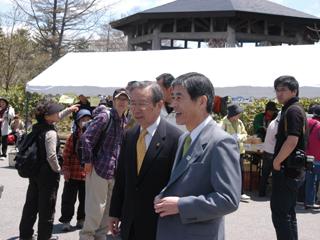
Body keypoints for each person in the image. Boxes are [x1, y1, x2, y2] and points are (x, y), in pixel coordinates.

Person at [154, 72, 241, 240]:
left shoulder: (221, 142)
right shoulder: (184, 138)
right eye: (172, 98)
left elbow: (228, 199)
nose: (173, 104)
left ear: (201, 101)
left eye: (179, 98)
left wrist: (180, 205)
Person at [108, 81, 182, 240]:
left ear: (159, 104)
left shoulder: (175, 138)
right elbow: (121, 178)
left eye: (142, 103)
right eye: (133, 103)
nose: (135, 109)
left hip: (158, 223)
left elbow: (177, 185)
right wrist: (114, 212)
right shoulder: (129, 135)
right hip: (129, 222)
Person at [19, 101, 79, 240]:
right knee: (47, 207)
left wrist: (69, 109)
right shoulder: (50, 132)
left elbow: (58, 117)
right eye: (56, 112)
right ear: (47, 116)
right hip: (48, 175)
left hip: (35, 172)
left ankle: (25, 235)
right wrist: (58, 170)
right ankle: (44, 236)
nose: (59, 113)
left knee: (31, 205)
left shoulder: (38, 127)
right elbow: (51, 156)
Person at [79, 88, 129, 240]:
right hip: (99, 168)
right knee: (95, 210)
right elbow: (86, 138)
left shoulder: (124, 121)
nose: (122, 102)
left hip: (113, 171)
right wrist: (87, 161)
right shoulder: (104, 116)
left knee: (107, 212)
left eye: (125, 99)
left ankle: (100, 237)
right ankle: (86, 237)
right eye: (119, 99)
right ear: (113, 101)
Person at [271, 75, 307, 240]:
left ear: (294, 91)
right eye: (277, 90)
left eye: (283, 90)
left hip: (287, 170)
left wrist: (277, 162)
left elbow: (292, 140)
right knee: (288, 214)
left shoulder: (292, 110)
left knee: (281, 215)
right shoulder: (293, 108)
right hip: (292, 170)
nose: (279, 93)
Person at [59, 109, 92, 231]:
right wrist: (66, 169)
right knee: (68, 199)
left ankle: (81, 219)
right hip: (72, 173)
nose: (86, 122)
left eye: (88, 120)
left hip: (86, 175)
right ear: (77, 122)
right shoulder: (72, 137)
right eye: (83, 120)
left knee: (85, 200)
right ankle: (66, 221)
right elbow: (66, 154)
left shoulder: (94, 136)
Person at [220, 104, 250, 202]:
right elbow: (218, 137)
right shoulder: (222, 123)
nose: (239, 116)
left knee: (240, 172)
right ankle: (228, 192)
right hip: (228, 152)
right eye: (238, 114)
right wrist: (230, 137)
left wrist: (240, 137)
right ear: (232, 114)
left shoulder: (240, 122)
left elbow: (245, 134)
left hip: (240, 151)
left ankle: (241, 193)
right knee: (228, 172)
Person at [258, 112, 281, 197]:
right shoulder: (278, 126)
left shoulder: (272, 123)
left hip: (266, 151)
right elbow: (278, 138)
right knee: (275, 175)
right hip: (273, 152)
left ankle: (261, 192)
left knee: (265, 174)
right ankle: (275, 194)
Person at [304, 105, 320, 209]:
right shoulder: (319, 125)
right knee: (314, 181)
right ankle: (311, 201)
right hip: (317, 157)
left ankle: (306, 201)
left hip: (306, 155)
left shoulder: (307, 122)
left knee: (308, 180)